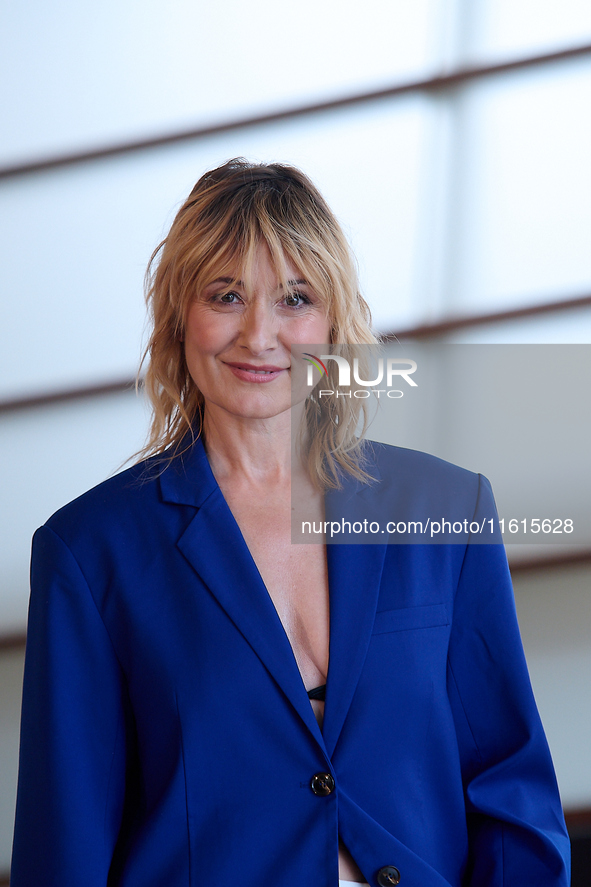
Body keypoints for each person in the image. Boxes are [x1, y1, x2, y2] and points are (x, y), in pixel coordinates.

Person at [11, 159, 570, 887]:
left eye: (294, 298)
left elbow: (510, 791)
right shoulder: (89, 553)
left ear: (334, 320)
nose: (259, 334)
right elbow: (64, 848)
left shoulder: (444, 510)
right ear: (180, 315)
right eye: (226, 295)